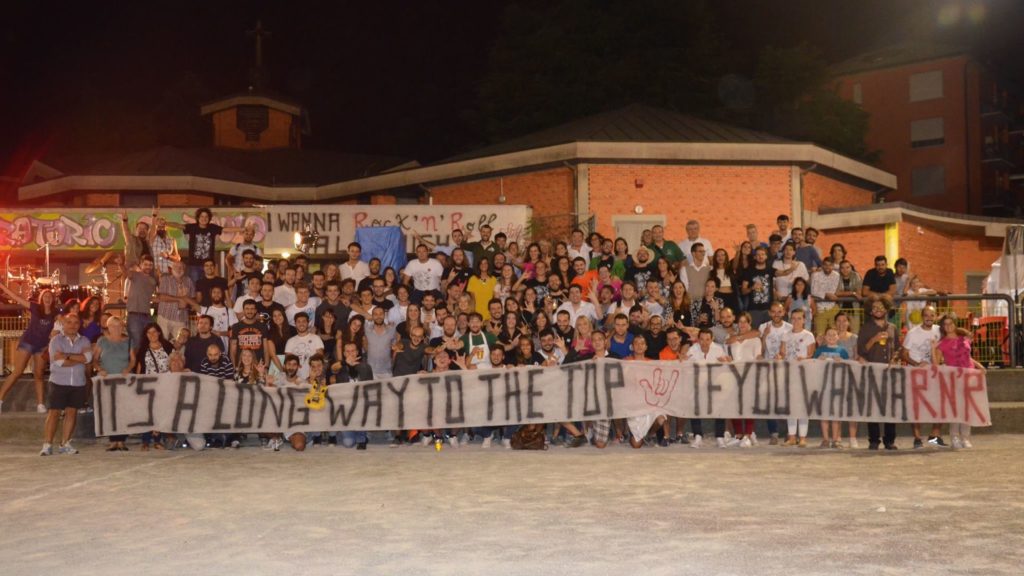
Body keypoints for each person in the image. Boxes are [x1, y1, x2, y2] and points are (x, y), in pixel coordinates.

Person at [0, 286, 61, 414]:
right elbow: (16, 298)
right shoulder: (35, 307)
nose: (48, 298)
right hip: (28, 342)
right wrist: (2, 286)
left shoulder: (55, 312)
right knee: (17, 372)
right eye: (45, 296)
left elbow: (65, 322)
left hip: (42, 346)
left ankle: (40, 404)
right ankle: (0, 400)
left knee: (39, 374)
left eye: (50, 297)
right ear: (41, 298)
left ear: (53, 299)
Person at [39, 314, 92, 456]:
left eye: (76, 322)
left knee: (72, 412)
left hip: (78, 382)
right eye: (69, 322)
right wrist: (78, 358)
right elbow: (58, 362)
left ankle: (65, 444)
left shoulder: (85, 340)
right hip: (58, 382)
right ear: (64, 324)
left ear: (79, 325)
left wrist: (66, 355)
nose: (73, 325)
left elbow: (88, 358)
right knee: (53, 413)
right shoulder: (55, 341)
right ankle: (47, 444)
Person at [933, 315, 985, 449]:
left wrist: (979, 365)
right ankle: (954, 437)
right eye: (945, 324)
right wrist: (933, 349)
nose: (949, 326)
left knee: (968, 408)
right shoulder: (942, 343)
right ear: (942, 327)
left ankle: (965, 437)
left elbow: (967, 356)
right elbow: (935, 364)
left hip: (969, 375)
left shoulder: (964, 338)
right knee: (956, 408)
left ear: (955, 324)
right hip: (954, 378)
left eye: (950, 323)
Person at [857, 297, 900, 450]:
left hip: (889, 373)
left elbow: (898, 349)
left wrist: (895, 359)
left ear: (887, 309)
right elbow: (861, 351)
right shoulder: (865, 328)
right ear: (870, 310)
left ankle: (890, 440)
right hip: (872, 372)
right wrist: (874, 339)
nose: (878, 310)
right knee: (873, 405)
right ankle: (874, 440)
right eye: (874, 307)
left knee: (890, 406)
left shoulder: (893, 328)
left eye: (881, 307)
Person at [901, 306, 946, 449]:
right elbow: (904, 354)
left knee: (939, 405)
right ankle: (917, 438)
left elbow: (948, 344)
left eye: (932, 315)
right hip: (915, 374)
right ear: (922, 316)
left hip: (933, 374)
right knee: (916, 407)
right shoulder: (913, 333)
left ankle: (935, 436)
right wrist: (916, 364)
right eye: (926, 315)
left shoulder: (939, 330)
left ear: (935, 316)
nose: (929, 318)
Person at [164, 207, 243, 283]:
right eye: (202, 216)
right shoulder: (192, 227)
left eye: (206, 217)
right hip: (194, 265)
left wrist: (242, 229)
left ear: (209, 218)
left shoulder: (212, 228)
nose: (204, 218)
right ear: (198, 218)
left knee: (209, 286)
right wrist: (165, 223)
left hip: (209, 266)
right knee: (195, 286)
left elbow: (226, 229)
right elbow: (179, 225)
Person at [93, 316, 136, 451]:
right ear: (108, 327)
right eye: (113, 326)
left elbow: (133, 360)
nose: (116, 329)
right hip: (107, 381)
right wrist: (99, 369)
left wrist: (128, 369)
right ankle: (113, 440)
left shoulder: (129, 341)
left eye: (119, 326)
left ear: (122, 327)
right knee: (109, 410)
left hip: (123, 381)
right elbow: (94, 359)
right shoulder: (102, 341)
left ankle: (121, 440)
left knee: (123, 410)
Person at [685, 328, 732, 448]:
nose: (704, 342)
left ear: (712, 339)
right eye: (702, 339)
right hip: (697, 385)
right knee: (694, 405)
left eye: (707, 339)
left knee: (720, 406)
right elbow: (685, 365)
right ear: (698, 339)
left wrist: (726, 362)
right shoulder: (693, 349)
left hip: (714, 385)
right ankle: (698, 436)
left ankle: (720, 437)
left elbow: (726, 366)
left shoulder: (718, 349)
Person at [135, 322, 175, 451]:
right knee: (148, 413)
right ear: (146, 335)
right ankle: (145, 441)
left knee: (162, 412)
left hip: (165, 384)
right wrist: (137, 384)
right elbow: (139, 368)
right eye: (149, 332)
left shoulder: (168, 346)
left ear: (159, 332)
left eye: (154, 332)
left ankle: (158, 440)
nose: (152, 335)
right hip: (148, 385)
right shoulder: (142, 349)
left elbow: (175, 363)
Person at [779, 308, 815, 447]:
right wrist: (779, 356)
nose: (796, 321)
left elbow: (812, 354)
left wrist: (804, 358)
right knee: (792, 405)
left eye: (799, 318)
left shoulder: (808, 335)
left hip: (805, 374)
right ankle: (792, 436)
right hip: (789, 374)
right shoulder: (785, 335)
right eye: (793, 318)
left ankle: (803, 437)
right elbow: (782, 353)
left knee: (803, 406)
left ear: (804, 320)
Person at [813, 327, 850, 449]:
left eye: (834, 335)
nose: (831, 337)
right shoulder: (820, 350)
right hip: (823, 385)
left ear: (838, 337)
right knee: (824, 413)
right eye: (829, 334)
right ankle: (825, 439)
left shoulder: (843, 351)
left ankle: (835, 440)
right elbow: (812, 366)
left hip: (838, 385)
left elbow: (849, 367)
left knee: (835, 414)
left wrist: (843, 362)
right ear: (825, 337)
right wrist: (818, 360)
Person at [334, 344, 372, 450]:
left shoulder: (365, 367)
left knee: (362, 409)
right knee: (348, 443)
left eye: (353, 351)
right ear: (344, 353)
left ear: (357, 352)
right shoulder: (340, 367)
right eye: (348, 351)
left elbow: (371, 388)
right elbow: (333, 368)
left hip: (360, 407)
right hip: (345, 408)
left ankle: (362, 436)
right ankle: (350, 432)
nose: (351, 354)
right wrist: (345, 363)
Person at [156, 261, 197, 340]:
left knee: (181, 343)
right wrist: (179, 299)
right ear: (171, 269)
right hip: (165, 316)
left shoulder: (188, 281)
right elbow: (161, 297)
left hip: (181, 318)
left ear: (184, 270)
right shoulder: (165, 279)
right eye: (176, 267)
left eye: (181, 267)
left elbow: (193, 299)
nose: (179, 269)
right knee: (162, 342)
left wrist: (187, 303)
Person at [124, 254, 158, 347]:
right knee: (136, 343)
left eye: (150, 265)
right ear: (141, 265)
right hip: (134, 315)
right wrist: (120, 264)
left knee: (147, 343)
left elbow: (151, 296)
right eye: (145, 264)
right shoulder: (135, 275)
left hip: (147, 316)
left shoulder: (153, 281)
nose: (148, 267)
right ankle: (136, 361)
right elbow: (126, 273)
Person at [283, 313, 325, 379]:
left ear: (308, 323)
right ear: (295, 324)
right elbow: (288, 362)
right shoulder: (290, 341)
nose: (301, 324)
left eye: (304, 321)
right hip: (296, 379)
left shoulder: (316, 338)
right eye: (298, 322)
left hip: (314, 377)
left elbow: (320, 360)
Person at [741, 246, 774, 328]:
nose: (760, 256)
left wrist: (793, 267)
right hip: (754, 310)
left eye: (762, 254)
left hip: (769, 309)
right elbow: (743, 291)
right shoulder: (749, 271)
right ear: (755, 257)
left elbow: (782, 273)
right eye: (758, 254)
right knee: (754, 333)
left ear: (766, 256)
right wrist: (752, 288)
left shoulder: (771, 270)